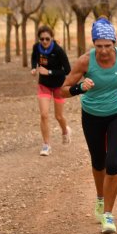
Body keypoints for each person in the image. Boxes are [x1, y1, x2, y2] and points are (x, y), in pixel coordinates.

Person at [61, 17, 117, 234]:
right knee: (98, 162)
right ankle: (99, 197)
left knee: (113, 163)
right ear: (93, 44)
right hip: (92, 115)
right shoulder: (85, 62)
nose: (104, 51)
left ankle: (108, 215)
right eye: (99, 46)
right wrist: (80, 88)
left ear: (114, 43)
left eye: (108, 45)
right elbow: (63, 90)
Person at [30, 25, 72, 156]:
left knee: (58, 116)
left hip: (59, 86)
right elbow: (33, 58)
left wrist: (49, 71)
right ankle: (46, 145)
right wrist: (33, 67)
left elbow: (67, 70)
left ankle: (65, 130)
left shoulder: (58, 51)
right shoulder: (37, 47)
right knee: (44, 115)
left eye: (47, 39)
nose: (44, 41)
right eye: (41, 39)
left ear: (52, 38)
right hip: (44, 85)